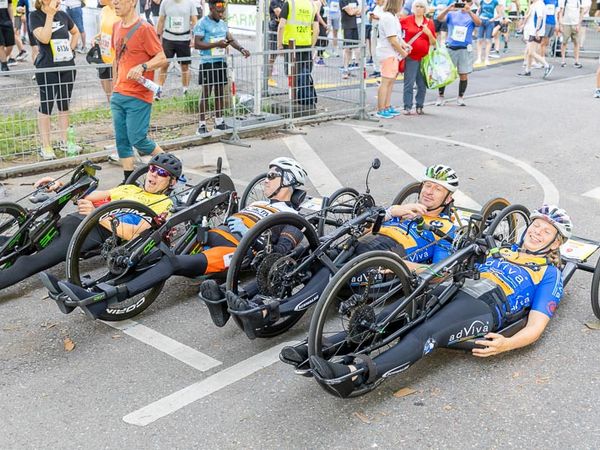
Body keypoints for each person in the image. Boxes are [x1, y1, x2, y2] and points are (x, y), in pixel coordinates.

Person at [308, 205, 573, 398]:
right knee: (393, 314)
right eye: (536, 225)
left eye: (546, 231)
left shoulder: (549, 274)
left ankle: (358, 372)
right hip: (456, 285)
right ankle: (325, 346)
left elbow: (536, 326)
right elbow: (447, 271)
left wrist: (506, 344)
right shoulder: (502, 250)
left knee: (425, 331)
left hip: (485, 305)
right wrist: (406, 265)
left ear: (555, 242)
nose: (537, 232)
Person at [44, 158, 309, 322]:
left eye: (272, 176)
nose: (266, 180)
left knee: (171, 264)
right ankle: (91, 287)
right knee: (157, 249)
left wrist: (262, 254)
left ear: (287, 182)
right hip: (211, 236)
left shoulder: (293, 216)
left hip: (234, 250)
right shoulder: (260, 202)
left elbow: (283, 251)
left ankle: (106, 298)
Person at [233, 164, 461, 339]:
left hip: (388, 257)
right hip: (365, 243)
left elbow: (438, 273)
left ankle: (271, 312)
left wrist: (401, 265)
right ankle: (245, 294)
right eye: (427, 185)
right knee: (315, 251)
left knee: (331, 269)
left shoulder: (447, 228)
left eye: (437, 189)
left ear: (448, 198)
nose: (429, 192)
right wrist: (393, 212)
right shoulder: (406, 210)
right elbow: (368, 225)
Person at [1, 153, 182, 292]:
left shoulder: (163, 205)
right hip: (71, 221)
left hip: (90, 234)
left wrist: (97, 214)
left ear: (171, 182)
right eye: (152, 169)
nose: (153, 175)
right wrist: (60, 187)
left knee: (29, 263)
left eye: (161, 173)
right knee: (16, 244)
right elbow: (87, 196)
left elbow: (133, 233)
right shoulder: (130, 188)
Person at [110, 0, 167, 183]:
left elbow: (162, 58)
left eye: (119, 0)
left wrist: (143, 66)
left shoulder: (145, 28)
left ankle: (170, 165)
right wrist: (114, 86)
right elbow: (116, 60)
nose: (115, 2)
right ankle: (128, 180)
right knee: (122, 140)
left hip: (138, 95)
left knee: (138, 139)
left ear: (133, 2)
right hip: (119, 93)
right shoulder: (116, 26)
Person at [30, 0, 79, 160]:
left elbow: (76, 32)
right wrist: (50, 15)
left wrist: (71, 49)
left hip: (66, 66)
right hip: (47, 66)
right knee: (47, 104)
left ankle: (65, 141)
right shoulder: (35, 16)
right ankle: (46, 145)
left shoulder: (63, 15)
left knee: (64, 104)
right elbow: (44, 39)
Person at [193, 0, 250, 137]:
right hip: (207, 62)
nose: (221, 14)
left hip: (220, 62)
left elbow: (231, 39)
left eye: (222, 11)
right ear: (211, 9)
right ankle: (201, 125)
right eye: (218, 12)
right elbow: (197, 43)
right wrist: (216, 44)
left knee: (219, 93)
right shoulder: (202, 23)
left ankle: (219, 121)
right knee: (206, 94)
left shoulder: (223, 24)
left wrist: (241, 48)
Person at [436, 0, 482, 106]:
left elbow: (479, 23)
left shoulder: (472, 15)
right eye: (462, 1)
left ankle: (460, 97)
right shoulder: (451, 14)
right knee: (445, 73)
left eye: (468, 1)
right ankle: (440, 96)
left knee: (463, 74)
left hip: (464, 48)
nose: (464, 3)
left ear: (471, 3)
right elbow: (439, 18)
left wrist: (469, 11)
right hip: (451, 47)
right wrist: (448, 8)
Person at [374, 0, 408, 118]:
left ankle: (387, 106)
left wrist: (404, 45)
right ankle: (381, 108)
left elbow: (397, 37)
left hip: (392, 54)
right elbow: (392, 40)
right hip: (388, 53)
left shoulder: (392, 17)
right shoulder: (388, 17)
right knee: (386, 81)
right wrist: (402, 52)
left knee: (390, 81)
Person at [400, 0, 436, 115]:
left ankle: (420, 105)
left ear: (425, 9)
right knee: (408, 83)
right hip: (410, 57)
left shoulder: (429, 23)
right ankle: (407, 106)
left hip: (424, 57)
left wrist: (428, 33)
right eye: (417, 6)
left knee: (422, 84)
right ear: (413, 8)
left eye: (421, 6)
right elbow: (395, 32)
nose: (419, 8)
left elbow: (434, 42)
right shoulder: (407, 20)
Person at [157, 0, 197, 95]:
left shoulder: (190, 3)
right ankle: (158, 90)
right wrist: (157, 37)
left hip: (184, 39)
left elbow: (194, 21)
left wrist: (194, 38)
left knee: (184, 66)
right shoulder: (165, 2)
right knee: (164, 64)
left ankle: (185, 90)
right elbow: (161, 20)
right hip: (168, 38)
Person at [277, 0, 319, 82]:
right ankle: (303, 93)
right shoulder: (313, 5)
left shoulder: (289, 3)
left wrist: (279, 45)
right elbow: (316, 30)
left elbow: (281, 26)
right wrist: (312, 46)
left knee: (291, 73)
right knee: (305, 73)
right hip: (306, 44)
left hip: (291, 45)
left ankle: (294, 93)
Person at [517, 0, 553, 78]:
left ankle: (547, 65)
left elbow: (540, 17)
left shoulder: (539, 4)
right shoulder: (536, 4)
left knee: (531, 52)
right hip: (534, 31)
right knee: (530, 52)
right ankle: (527, 70)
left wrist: (537, 30)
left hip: (535, 31)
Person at [95, 0, 119, 102]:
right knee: (105, 83)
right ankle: (112, 107)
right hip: (104, 53)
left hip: (116, 55)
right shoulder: (104, 10)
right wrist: (96, 37)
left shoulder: (119, 10)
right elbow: (103, 30)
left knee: (116, 88)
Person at [475, 0, 502, 65]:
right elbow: (478, 11)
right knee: (479, 40)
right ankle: (479, 58)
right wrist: (477, 17)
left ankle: (486, 59)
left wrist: (492, 19)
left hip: (490, 22)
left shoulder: (495, 2)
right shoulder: (482, 1)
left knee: (488, 40)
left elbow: (499, 14)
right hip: (481, 21)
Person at [558, 0, 583, 68]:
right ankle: (563, 60)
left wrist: (579, 24)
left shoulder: (579, 1)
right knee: (564, 42)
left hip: (575, 24)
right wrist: (561, 24)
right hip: (566, 23)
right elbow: (561, 12)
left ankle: (576, 61)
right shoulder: (564, 1)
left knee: (576, 43)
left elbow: (581, 12)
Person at [339, 0, 360, 79]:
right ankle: (345, 69)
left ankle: (348, 68)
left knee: (354, 47)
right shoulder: (342, 1)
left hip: (354, 25)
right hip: (346, 26)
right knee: (347, 48)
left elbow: (360, 11)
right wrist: (354, 10)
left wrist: (353, 10)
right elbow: (350, 13)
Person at [267, 0, 284, 84]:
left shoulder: (285, 2)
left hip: (284, 30)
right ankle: (269, 78)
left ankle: (292, 81)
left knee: (290, 55)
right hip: (275, 30)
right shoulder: (274, 1)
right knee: (273, 55)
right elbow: (279, 13)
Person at [368, 0, 384, 77]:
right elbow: (370, 20)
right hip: (374, 29)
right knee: (373, 49)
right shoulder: (376, 7)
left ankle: (381, 70)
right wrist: (371, 17)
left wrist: (377, 17)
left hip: (381, 32)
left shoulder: (385, 8)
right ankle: (376, 69)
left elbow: (386, 19)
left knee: (379, 50)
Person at [0, 0, 15, 71]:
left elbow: (9, 5)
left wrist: (12, 20)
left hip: (7, 22)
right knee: (1, 45)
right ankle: (4, 65)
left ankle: (2, 59)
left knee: (10, 46)